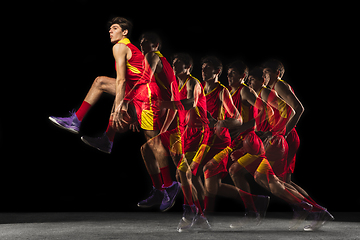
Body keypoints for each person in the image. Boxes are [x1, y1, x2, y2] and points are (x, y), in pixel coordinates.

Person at [49, 17, 161, 154]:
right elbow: (131, 82)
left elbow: (121, 81)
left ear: (125, 32)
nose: (110, 31)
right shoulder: (132, 49)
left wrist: (120, 106)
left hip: (146, 97)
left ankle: (100, 134)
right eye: (110, 29)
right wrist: (124, 103)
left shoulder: (120, 47)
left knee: (153, 141)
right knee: (100, 82)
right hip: (143, 93)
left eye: (115, 28)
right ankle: (103, 137)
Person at [140, 53, 211, 232]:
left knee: (183, 173)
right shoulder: (174, 84)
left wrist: (163, 104)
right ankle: (162, 189)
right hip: (181, 131)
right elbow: (173, 111)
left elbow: (189, 103)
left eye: (178, 63)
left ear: (188, 67)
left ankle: (190, 213)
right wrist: (163, 130)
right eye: (173, 63)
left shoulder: (192, 82)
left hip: (199, 133)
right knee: (147, 148)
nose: (174, 66)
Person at [261, 60, 334, 231]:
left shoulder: (279, 86)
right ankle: (310, 210)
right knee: (284, 181)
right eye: (263, 73)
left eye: (267, 72)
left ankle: (315, 211)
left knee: (277, 181)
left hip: (287, 136)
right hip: (287, 136)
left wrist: (284, 133)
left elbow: (298, 108)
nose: (264, 76)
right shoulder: (273, 89)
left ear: (278, 73)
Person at [136, 32, 181, 212]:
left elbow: (143, 80)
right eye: (140, 43)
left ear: (155, 45)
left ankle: (170, 186)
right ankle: (159, 189)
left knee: (160, 149)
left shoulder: (152, 56)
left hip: (169, 113)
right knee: (146, 149)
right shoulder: (163, 62)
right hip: (165, 111)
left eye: (145, 42)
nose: (141, 45)